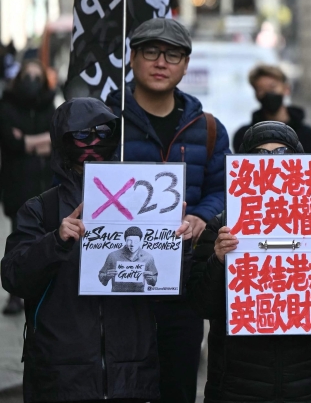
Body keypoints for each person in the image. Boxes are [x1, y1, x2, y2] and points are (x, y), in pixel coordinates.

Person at [1, 98, 193, 403]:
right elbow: (14, 278)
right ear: (62, 139)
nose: (92, 141)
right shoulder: (41, 209)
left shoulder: (146, 203)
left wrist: (178, 244)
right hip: (61, 378)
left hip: (132, 378)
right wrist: (55, 240)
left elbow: (170, 289)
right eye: (80, 134)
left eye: (103, 132)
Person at [109, 17, 231, 403]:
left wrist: (201, 217)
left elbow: (222, 190)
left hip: (183, 283)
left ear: (185, 64)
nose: (161, 62)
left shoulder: (208, 128)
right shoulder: (105, 122)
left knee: (178, 385)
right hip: (117, 285)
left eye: (173, 54)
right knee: (119, 386)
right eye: (151, 52)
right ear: (132, 58)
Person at [189, 120, 311, 403]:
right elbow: (201, 304)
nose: (272, 164)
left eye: (282, 154)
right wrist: (219, 259)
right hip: (238, 381)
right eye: (260, 155)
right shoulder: (223, 227)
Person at [0, 59, 55, 315]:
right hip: (17, 185)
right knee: (18, 242)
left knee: (46, 240)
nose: (32, 81)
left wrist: (27, 141)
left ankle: (42, 292)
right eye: (28, 76)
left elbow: (55, 140)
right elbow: (12, 144)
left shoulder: (49, 106)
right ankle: (15, 295)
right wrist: (35, 143)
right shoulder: (7, 106)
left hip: (44, 185)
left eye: (37, 76)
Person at [234, 63, 311, 153]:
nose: (267, 93)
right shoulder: (243, 136)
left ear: (286, 89)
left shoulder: (307, 135)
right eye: (261, 90)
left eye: (272, 87)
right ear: (256, 95)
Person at [98, 226, 158, 292]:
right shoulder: (113, 256)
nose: (132, 244)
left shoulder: (148, 257)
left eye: (136, 241)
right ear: (125, 241)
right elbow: (101, 276)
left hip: (139, 298)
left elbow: (153, 282)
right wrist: (106, 276)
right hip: (117, 297)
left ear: (140, 241)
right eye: (129, 241)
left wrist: (151, 279)